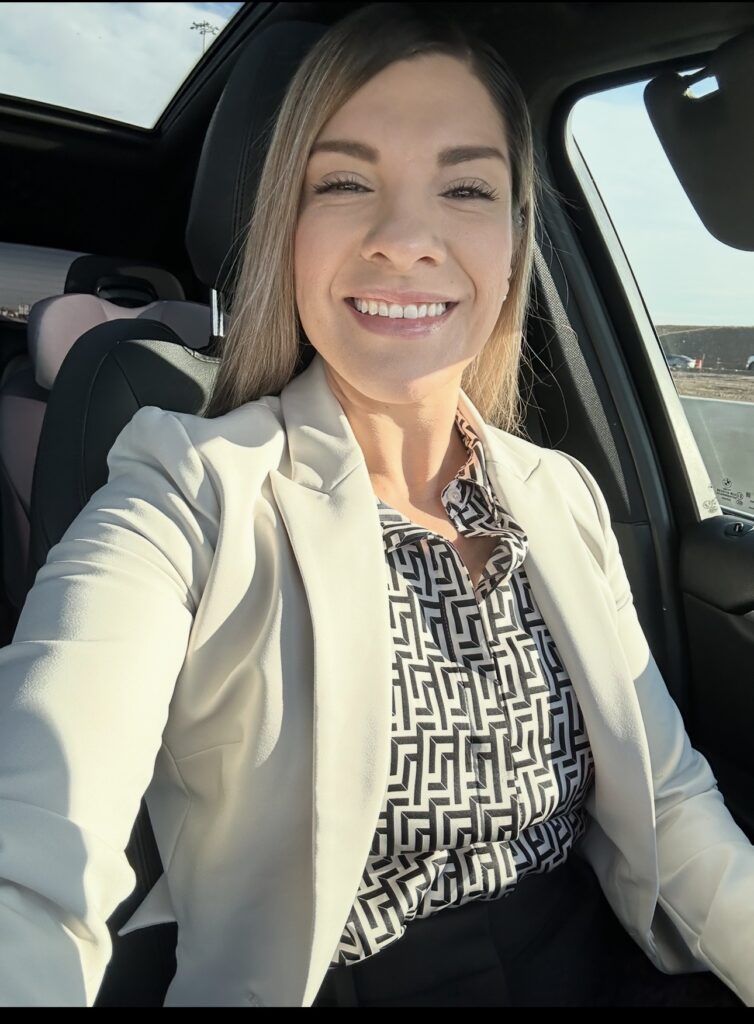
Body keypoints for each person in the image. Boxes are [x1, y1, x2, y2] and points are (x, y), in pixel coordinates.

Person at [0, 2, 752, 1008]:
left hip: (594, 958)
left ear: (515, 238)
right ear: (289, 227)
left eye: (466, 187)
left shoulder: (559, 492)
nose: (405, 239)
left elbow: (670, 798)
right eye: (346, 183)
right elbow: (34, 829)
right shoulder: (190, 485)